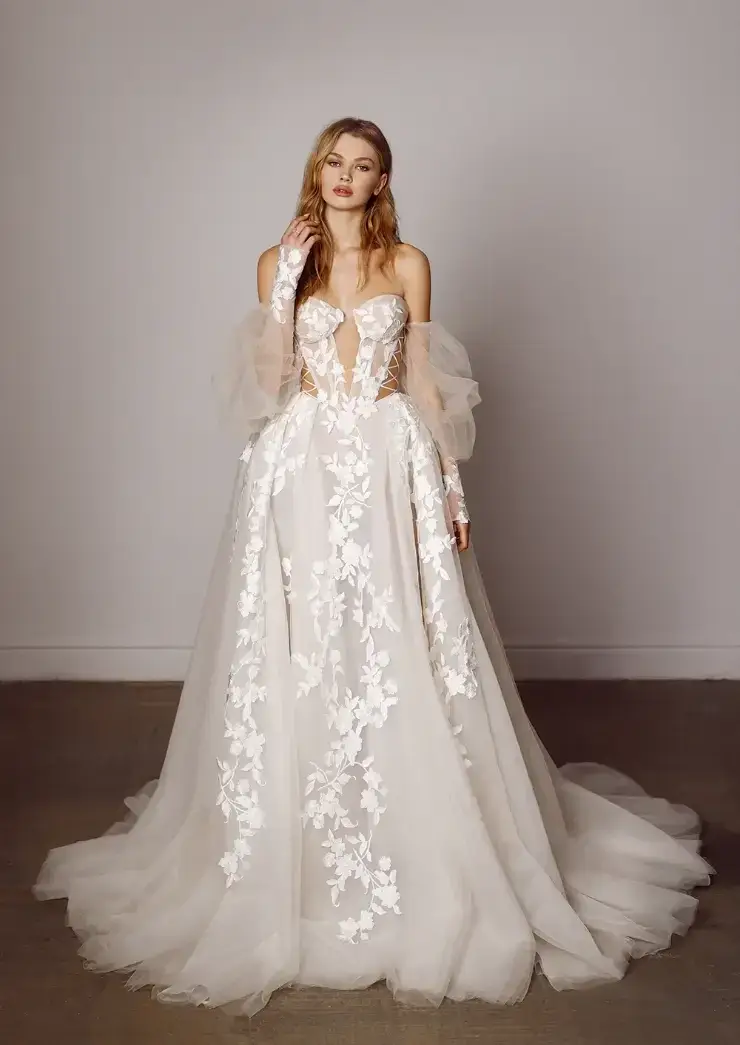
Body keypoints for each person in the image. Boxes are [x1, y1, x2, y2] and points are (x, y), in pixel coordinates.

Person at [34, 116, 714, 1017]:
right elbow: (263, 388)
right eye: (333, 161)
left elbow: (425, 382)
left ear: (382, 180)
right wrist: (283, 288)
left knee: (401, 642)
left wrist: (453, 490)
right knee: (306, 643)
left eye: (362, 165)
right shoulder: (279, 262)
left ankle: (425, 833)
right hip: (300, 467)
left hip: (391, 464)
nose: (345, 176)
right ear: (316, 171)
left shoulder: (409, 264)